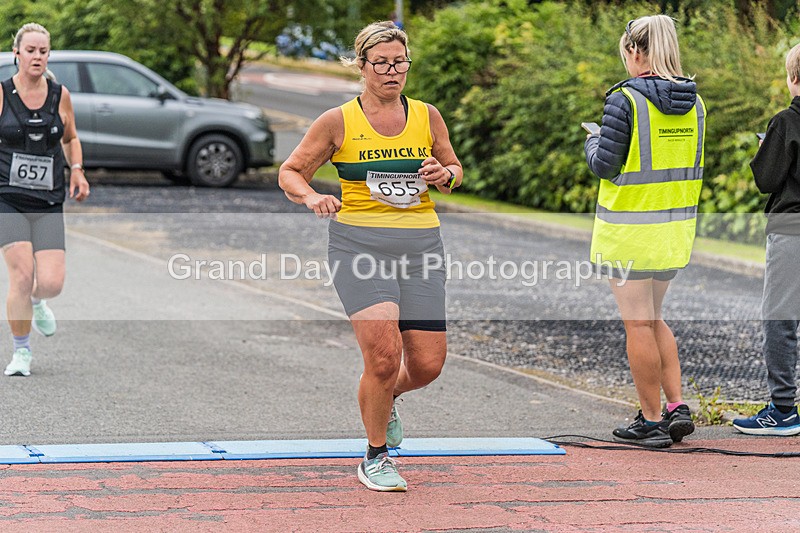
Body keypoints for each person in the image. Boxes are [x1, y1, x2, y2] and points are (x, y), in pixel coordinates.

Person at [278, 21, 462, 491]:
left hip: (422, 247)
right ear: (361, 66)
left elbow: (454, 169)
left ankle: (389, 397)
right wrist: (310, 197)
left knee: (427, 365)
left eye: (400, 62)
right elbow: (291, 171)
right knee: (383, 355)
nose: (392, 71)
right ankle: (376, 456)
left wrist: (445, 173)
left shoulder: (427, 115)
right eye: (381, 63)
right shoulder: (338, 120)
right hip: (359, 247)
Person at [584, 15, 705, 448]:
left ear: (636, 52)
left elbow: (606, 165)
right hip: (673, 231)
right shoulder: (696, 103)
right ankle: (675, 406)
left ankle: (651, 420)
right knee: (655, 319)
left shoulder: (626, 100)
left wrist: (592, 140)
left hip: (629, 234)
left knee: (638, 324)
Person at [0, 23, 90, 377]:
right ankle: (21, 352)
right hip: (7, 198)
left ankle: (38, 302)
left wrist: (78, 169)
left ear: (48, 55)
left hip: (49, 200)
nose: (37, 56)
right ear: (17, 53)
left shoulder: (60, 95)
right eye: (31, 50)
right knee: (21, 274)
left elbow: (70, 138)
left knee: (52, 282)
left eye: (43, 51)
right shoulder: (3, 94)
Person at [733, 43, 800, 436]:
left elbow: (767, 179)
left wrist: (765, 151)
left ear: (793, 77)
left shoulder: (786, 122)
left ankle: (783, 408)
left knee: (780, 318)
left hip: (792, 231)